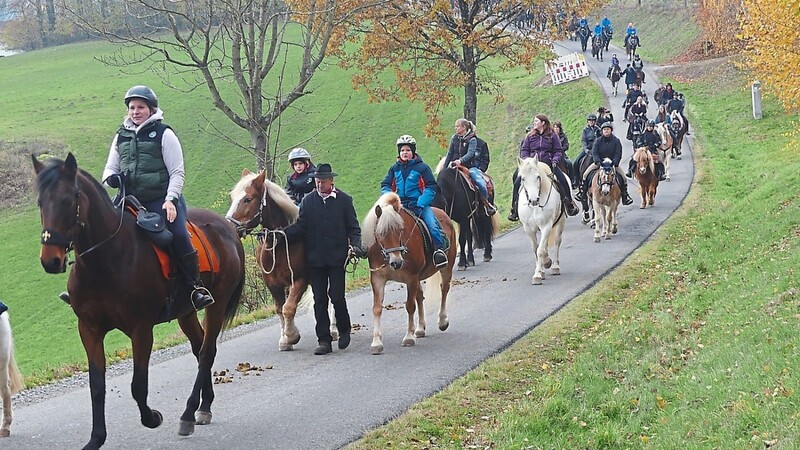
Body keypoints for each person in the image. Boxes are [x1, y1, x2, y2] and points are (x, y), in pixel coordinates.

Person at [84, 85, 214, 311]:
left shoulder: (164, 134)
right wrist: (111, 178)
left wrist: (171, 200)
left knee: (179, 234)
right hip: (129, 200)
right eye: (132, 107)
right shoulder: (120, 136)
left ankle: (195, 288)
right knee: (99, 232)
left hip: (160, 199)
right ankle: (88, 288)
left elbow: (177, 172)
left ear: (151, 109)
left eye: (141, 107)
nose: (135, 111)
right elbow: (109, 168)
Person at [283, 163, 362, 355]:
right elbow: (301, 227)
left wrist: (356, 245)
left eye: (323, 182)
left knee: (337, 296)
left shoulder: (344, 200)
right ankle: (323, 340)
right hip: (315, 260)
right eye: (317, 182)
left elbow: (353, 227)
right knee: (319, 300)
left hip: (337, 258)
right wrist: (281, 235)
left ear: (331, 181)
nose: (319, 185)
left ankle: (344, 329)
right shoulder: (308, 202)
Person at [381, 135, 448, 268]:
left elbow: (431, 186)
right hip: (399, 207)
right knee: (386, 227)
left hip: (419, 205)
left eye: (407, 150)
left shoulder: (422, 168)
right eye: (402, 151)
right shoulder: (394, 169)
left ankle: (439, 252)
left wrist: (422, 201)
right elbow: (385, 185)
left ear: (413, 152)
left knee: (432, 226)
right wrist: (388, 198)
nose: (405, 153)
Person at [519, 114, 579, 216]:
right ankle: (515, 207)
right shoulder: (529, 136)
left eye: (536, 121)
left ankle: (569, 203)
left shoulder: (553, 136)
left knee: (562, 179)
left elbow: (558, 150)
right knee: (517, 181)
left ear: (543, 123)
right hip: (532, 166)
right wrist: (526, 161)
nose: (534, 123)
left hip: (548, 164)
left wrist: (555, 160)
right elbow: (524, 150)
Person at [443, 118, 497, 216]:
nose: (455, 128)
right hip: (454, 166)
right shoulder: (454, 138)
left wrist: (460, 160)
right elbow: (450, 153)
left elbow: (470, 153)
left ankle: (486, 204)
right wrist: (444, 168)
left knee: (480, 182)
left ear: (463, 127)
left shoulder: (472, 139)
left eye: (457, 126)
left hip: (469, 167)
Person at [580, 122, 634, 206]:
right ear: (602, 131)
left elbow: (618, 153)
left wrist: (615, 162)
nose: (606, 131)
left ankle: (625, 196)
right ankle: (582, 194)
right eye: (604, 129)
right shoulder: (598, 141)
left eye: (608, 129)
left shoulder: (616, 141)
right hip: (600, 164)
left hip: (612, 164)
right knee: (585, 175)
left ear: (611, 130)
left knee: (623, 178)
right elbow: (595, 152)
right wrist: (598, 161)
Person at [508, 123, 533, 221]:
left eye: (530, 131)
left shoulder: (537, 139)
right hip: (526, 165)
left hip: (537, 164)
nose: (528, 133)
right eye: (527, 132)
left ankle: (566, 200)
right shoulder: (524, 141)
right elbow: (523, 153)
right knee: (516, 181)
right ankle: (514, 207)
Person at [572, 113, 601, 187]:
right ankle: (576, 179)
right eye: (590, 120)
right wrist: (586, 149)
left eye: (593, 120)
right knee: (576, 162)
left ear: (595, 121)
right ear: (587, 121)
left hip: (597, 150)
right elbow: (583, 141)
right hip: (588, 150)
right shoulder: (585, 130)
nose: (591, 122)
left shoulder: (599, 130)